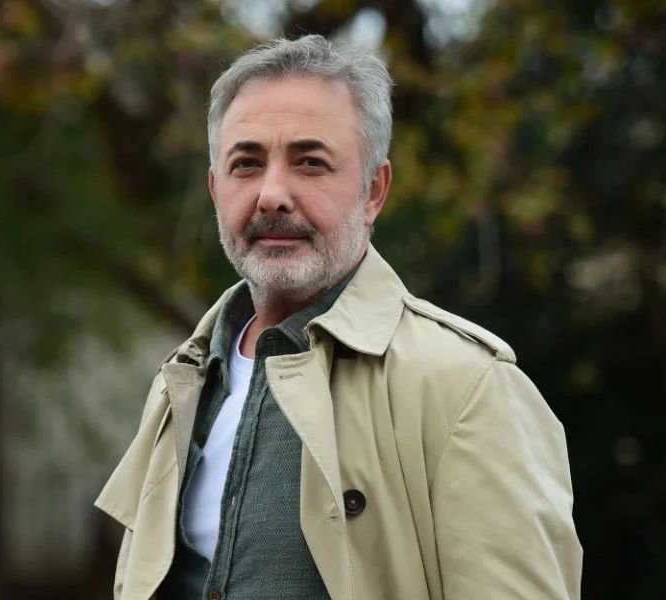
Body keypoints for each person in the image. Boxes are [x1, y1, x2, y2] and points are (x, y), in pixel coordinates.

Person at [95, 34, 582, 600]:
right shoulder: (182, 381)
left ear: (374, 191)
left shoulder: (467, 387)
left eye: (310, 162)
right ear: (214, 188)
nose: (272, 195)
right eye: (246, 164)